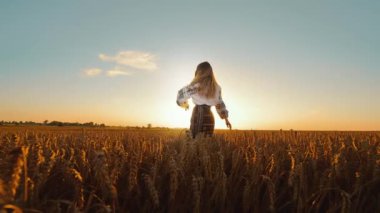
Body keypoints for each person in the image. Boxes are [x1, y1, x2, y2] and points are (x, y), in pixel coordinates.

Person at [176, 61, 231, 138]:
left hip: (198, 116)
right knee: (206, 143)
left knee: (196, 141)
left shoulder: (195, 86)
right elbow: (220, 104)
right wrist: (226, 119)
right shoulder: (216, 88)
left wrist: (185, 105)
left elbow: (180, 96)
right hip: (210, 118)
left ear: (198, 72)